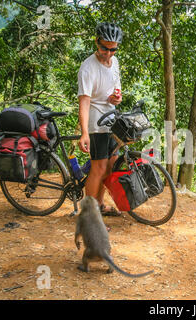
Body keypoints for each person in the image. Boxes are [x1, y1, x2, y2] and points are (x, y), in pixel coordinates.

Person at [77, 22, 123, 215]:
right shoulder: (88, 68)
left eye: (113, 49)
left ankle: (100, 205)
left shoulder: (115, 62)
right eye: (104, 48)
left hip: (112, 118)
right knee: (99, 167)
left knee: (111, 165)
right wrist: (84, 132)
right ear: (97, 42)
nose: (108, 53)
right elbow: (85, 101)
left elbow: (116, 92)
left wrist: (116, 98)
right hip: (96, 121)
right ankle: (89, 215)